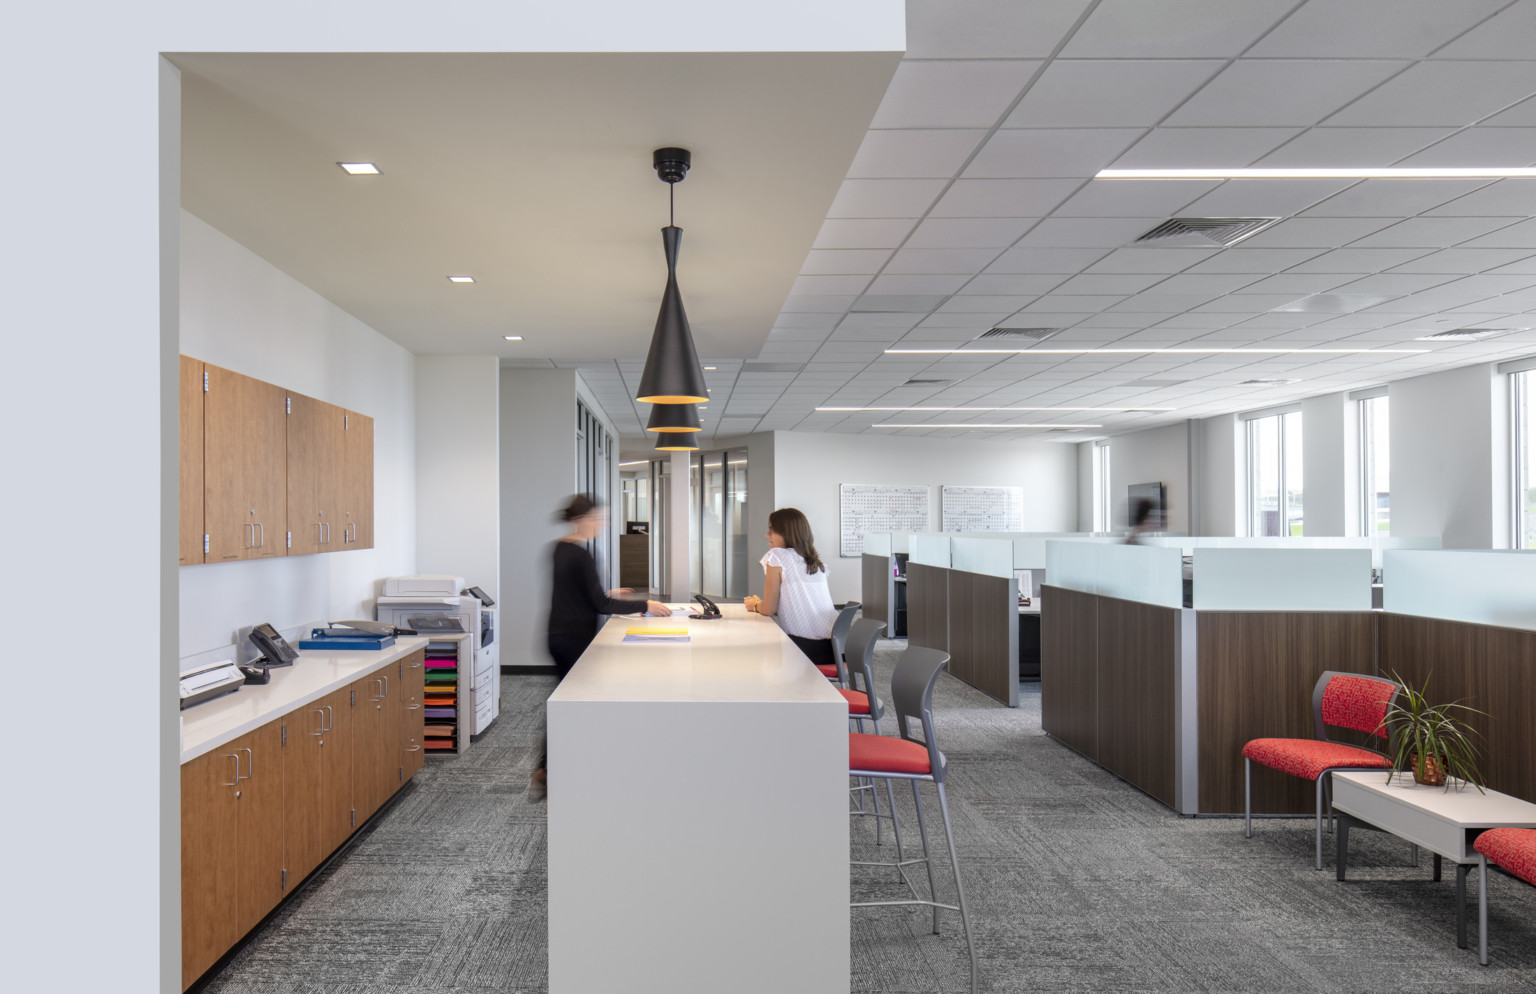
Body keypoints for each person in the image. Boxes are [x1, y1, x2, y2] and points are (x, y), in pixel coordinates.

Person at [533, 494, 669, 798]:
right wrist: (645, 604)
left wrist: (608, 592)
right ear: (581, 520)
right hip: (573, 639)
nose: (601, 524)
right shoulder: (582, 555)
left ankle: (549, 767)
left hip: (557, 635)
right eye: (597, 518)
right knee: (568, 705)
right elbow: (601, 604)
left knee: (563, 702)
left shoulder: (559, 549)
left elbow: (581, 594)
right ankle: (551, 768)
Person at [743, 507, 839, 669]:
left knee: (751, 653)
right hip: (835, 648)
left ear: (787, 532)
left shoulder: (777, 557)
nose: (767, 535)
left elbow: (769, 609)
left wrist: (755, 604)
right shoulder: (815, 562)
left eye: (772, 530)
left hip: (803, 648)